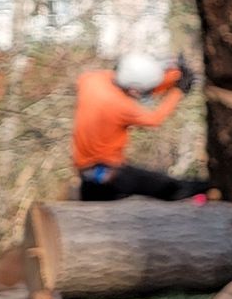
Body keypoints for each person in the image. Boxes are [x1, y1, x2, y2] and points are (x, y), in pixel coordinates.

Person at [72, 52, 205, 201]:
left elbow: (140, 86)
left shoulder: (92, 80)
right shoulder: (121, 106)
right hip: (107, 176)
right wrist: (178, 91)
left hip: (86, 172)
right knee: (171, 187)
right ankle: (209, 187)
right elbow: (154, 119)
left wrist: (175, 77)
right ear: (133, 90)